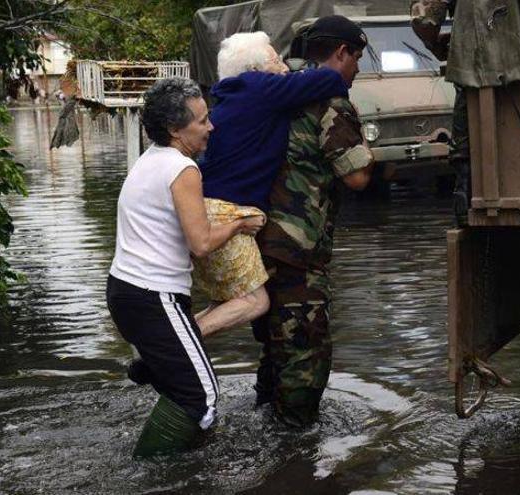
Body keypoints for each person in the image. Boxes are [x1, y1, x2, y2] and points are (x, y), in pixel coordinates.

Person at [106, 77, 265, 457]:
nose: (211, 127)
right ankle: (147, 471)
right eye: (202, 121)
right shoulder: (183, 170)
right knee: (201, 396)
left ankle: (189, 461)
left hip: (127, 292)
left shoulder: (150, 160)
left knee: (184, 393)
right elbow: (201, 242)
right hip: (151, 296)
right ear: (175, 129)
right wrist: (241, 224)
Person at [252, 15, 375, 427]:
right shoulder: (331, 102)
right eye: (357, 57)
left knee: (275, 346)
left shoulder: (277, 91)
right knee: (306, 353)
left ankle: (266, 427)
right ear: (341, 53)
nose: (358, 68)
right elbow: (357, 177)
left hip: (256, 244)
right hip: (299, 252)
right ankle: (295, 455)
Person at [192, 31, 350, 338]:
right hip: (227, 213)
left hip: (209, 211)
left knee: (226, 302)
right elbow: (332, 80)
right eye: (276, 59)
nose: (285, 67)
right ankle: (173, 348)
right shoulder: (257, 88)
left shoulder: (230, 96)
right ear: (256, 68)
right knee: (255, 301)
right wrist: (305, 72)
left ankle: (167, 346)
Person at [410, 0, 470, 225]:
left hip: (482, 77)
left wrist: (438, 45)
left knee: (467, 154)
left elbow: (424, 19)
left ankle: (468, 205)